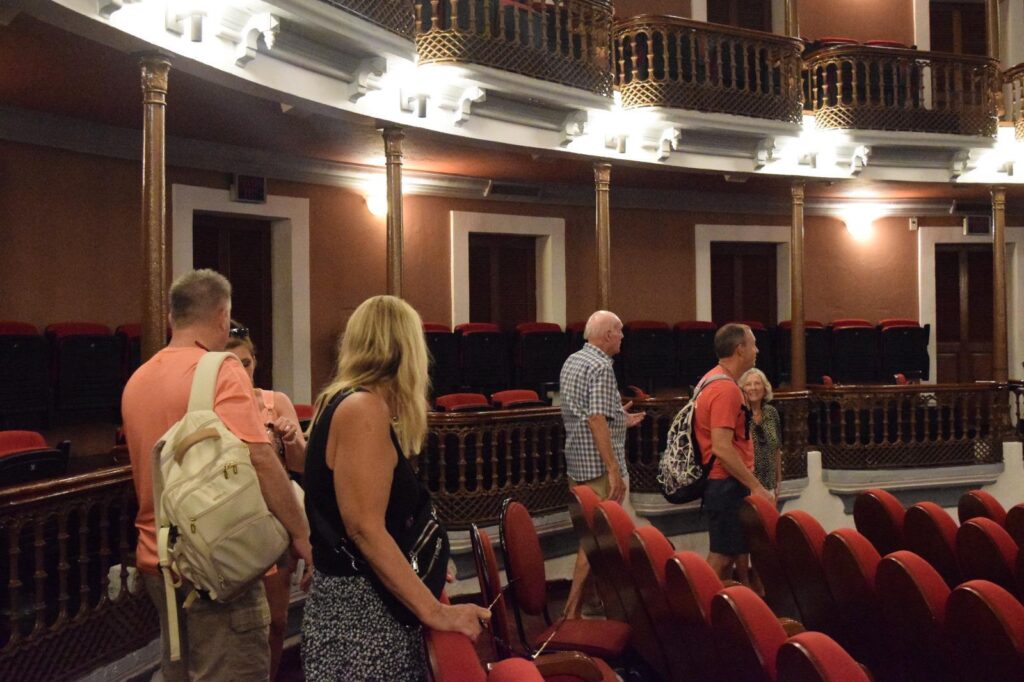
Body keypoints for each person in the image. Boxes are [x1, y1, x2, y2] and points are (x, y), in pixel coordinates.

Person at [121, 269, 313, 682]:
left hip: (157, 559)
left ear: (172, 318)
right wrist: (301, 534)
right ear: (223, 316)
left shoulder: (137, 380)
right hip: (215, 562)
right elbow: (260, 459)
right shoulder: (221, 370)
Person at [301, 295, 489, 681]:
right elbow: (364, 529)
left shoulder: (342, 401)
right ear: (406, 350)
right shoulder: (362, 408)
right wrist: (438, 613)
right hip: (363, 617)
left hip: (362, 606)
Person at [226, 323, 307, 681]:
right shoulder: (214, 407)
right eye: (232, 365)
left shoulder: (276, 402)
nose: (241, 372)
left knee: (276, 621)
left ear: (255, 362)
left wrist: (291, 440)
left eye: (245, 363)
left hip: (276, 521)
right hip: (234, 525)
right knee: (241, 627)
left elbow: (301, 465)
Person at [559, 310, 645, 619]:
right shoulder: (601, 367)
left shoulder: (573, 360)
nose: (622, 337)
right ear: (608, 335)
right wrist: (613, 469)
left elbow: (586, 411)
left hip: (577, 463)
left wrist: (621, 418)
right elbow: (595, 419)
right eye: (619, 331)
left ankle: (594, 602)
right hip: (598, 467)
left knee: (592, 535)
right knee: (595, 539)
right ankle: (571, 611)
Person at [695, 323, 774, 582]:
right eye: (753, 344)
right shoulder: (725, 389)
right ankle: (697, 603)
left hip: (722, 483)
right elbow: (722, 447)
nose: (757, 350)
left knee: (727, 556)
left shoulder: (710, 379)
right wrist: (756, 487)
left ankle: (719, 604)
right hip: (725, 484)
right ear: (740, 349)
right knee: (722, 556)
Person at [740, 367, 782, 496]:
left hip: (770, 485)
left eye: (757, 383)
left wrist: (778, 480)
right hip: (746, 488)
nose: (753, 388)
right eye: (748, 384)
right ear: (742, 389)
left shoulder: (772, 413)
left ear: (765, 388)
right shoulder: (739, 415)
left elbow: (777, 449)